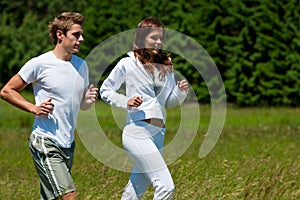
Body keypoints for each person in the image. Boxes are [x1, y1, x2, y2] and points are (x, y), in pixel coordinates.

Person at [0, 12, 98, 200]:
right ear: (60, 35)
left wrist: (87, 100)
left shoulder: (81, 66)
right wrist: (33, 108)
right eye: (76, 35)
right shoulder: (40, 63)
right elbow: (7, 91)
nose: (81, 39)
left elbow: (82, 106)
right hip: (45, 141)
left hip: (67, 144)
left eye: (81, 35)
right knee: (70, 196)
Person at [100, 17, 189, 200]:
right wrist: (126, 101)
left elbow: (169, 102)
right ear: (142, 38)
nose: (158, 41)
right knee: (165, 186)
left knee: (135, 191)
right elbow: (105, 90)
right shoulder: (127, 63)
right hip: (137, 132)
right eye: (153, 37)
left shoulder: (166, 65)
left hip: (159, 134)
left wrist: (180, 93)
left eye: (161, 38)